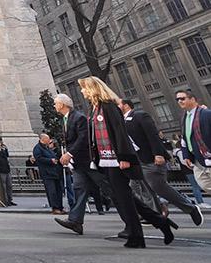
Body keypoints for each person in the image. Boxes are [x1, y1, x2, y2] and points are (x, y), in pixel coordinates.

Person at [67, 78, 174, 248]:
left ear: (93, 89)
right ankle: (161, 222)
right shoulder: (95, 108)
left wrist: (124, 157)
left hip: (117, 160)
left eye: (84, 88)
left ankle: (137, 237)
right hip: (105, 160)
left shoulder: (109, 106)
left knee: (124, 198)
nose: (82, 92)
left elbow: (120, 132)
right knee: (126, 197)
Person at [120, 99, 203, 226]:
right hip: (137, 161)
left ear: (125, 106)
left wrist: (158, 154)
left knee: (158, 187)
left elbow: (153, 136)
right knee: (135, 188)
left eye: (118, 104)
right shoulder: (120, 122)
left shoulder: (139, 116)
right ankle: (155, 211)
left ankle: (190, 207)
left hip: (150, 159)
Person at [176, 88, 211, 194]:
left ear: (193, 99)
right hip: (196, 159)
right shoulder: (184, 117)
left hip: (208, 155)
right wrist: (186, 155)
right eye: (177, 99)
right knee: (204, 184)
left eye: (182, 98)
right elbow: (185, 138)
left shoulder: (206, 114)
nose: (179, 101)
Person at [33, 133, 63, 214]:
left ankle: (60, 207)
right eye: (48, 139)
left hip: (55, 172)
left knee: (58, 190)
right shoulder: (37, 148)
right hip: (47, 173)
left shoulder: (47, 148)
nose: (49, 140)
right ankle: (55, 207)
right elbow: (39, 159)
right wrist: (50, 160)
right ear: (42, 139)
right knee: (52, 191)